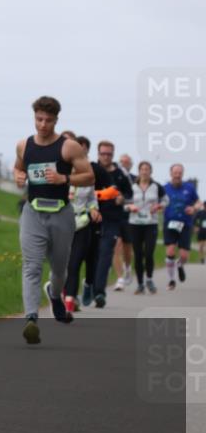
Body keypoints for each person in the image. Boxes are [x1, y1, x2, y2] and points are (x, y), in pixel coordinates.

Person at [13, 96, 94, 344]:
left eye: (48, 120)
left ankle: (55, 294)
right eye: (39, 119)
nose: (43, 125)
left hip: (61, 213)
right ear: (34, 117)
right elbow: (18, 167)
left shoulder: (68, 147)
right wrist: (19, 177)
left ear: (56, 120)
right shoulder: (24, 145)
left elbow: (89, 176)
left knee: (60, 269)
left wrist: (64, 179)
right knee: (32, 266)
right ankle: (31, 320)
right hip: (32, 213)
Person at [90, 141, 133, 308]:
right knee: (91, 254)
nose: (106, 157)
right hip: (91, 218)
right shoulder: (91, 169)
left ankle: (99, 292)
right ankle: (88, 287)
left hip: (112, 219)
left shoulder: (121, 174)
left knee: (106, 253)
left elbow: (130, 193)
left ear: (113, 155)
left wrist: (122, 198)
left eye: (109, 154)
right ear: (98, 153)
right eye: (103, 154)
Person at [62, 135, 100, 314]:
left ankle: (69, 304)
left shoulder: (87, 176)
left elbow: (92, 198)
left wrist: (94, 209)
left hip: (82, 224)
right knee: (61, 265)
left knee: (74, 264)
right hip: (61, 224)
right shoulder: (60, 173)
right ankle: (60, 294)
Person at [126, 161, 166, 295]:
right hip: (135, 224)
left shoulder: (156, 186)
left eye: (147, 169)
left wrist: (159, 206)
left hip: (151, 223)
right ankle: (140, 284)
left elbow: (166, 200)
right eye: (142, 169)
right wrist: (129, 207)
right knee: (138, 254)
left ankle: (149, 279)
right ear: (139, 171)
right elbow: (124, 203)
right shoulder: (132, 187)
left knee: (149, 253)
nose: (144, 171)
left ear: (151, 171)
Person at [162, 164, 203, 290]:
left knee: (184, 256)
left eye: (180, 173)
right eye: (175, 172)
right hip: (169, 223)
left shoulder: (189, 188)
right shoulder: (164, 188)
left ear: (182, 174)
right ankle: (171, 280)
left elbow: (198, 202)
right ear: (171, 173)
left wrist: (194, 208)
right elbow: (158, 201)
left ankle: (180, 265)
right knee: (170, 251)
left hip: (185, 224)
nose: (177, 175)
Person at [112, 153, 137, 291]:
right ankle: (120, 278)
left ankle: (127, 267)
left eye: (126, 162)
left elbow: (137, 197)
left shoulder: (134, 179)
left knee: (128, 248)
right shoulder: (113, 177)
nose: (123, 164)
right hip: (114, 216)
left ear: (130, 165)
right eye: (121, 162)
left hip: (129, 217)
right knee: (116, 246)